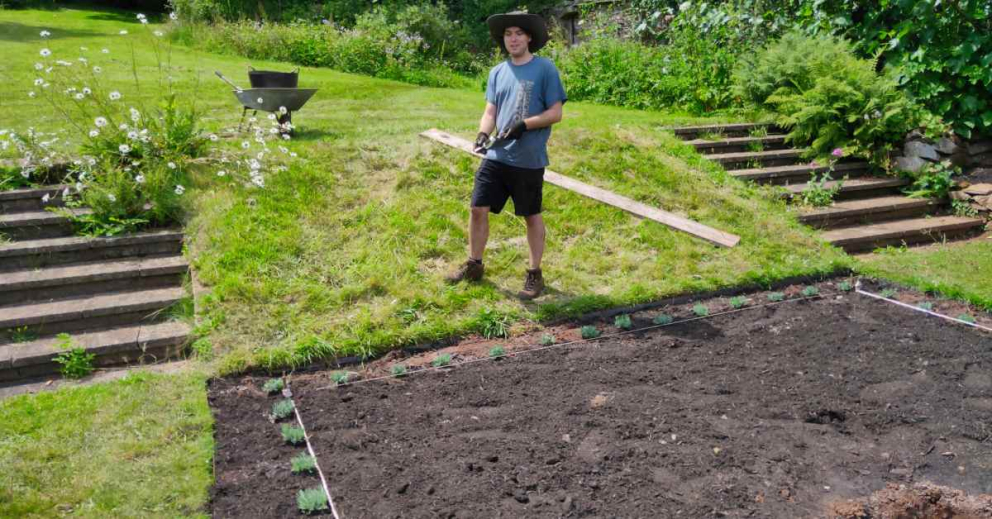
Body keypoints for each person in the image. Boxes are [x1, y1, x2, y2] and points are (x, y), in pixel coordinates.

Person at [445, 11, 567, 300]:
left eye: (518, 33)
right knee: (478, 208)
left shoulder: (545, 69)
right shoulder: (497, 72)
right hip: (496, 156)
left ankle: (534, 274)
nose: (513, 39)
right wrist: (483, 133)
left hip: (528, 159)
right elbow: (491, 111)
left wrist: (525, 124)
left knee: (531, 215)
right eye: (508, 34)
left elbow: (556, 113)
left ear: (529, 38)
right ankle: (474, 264)